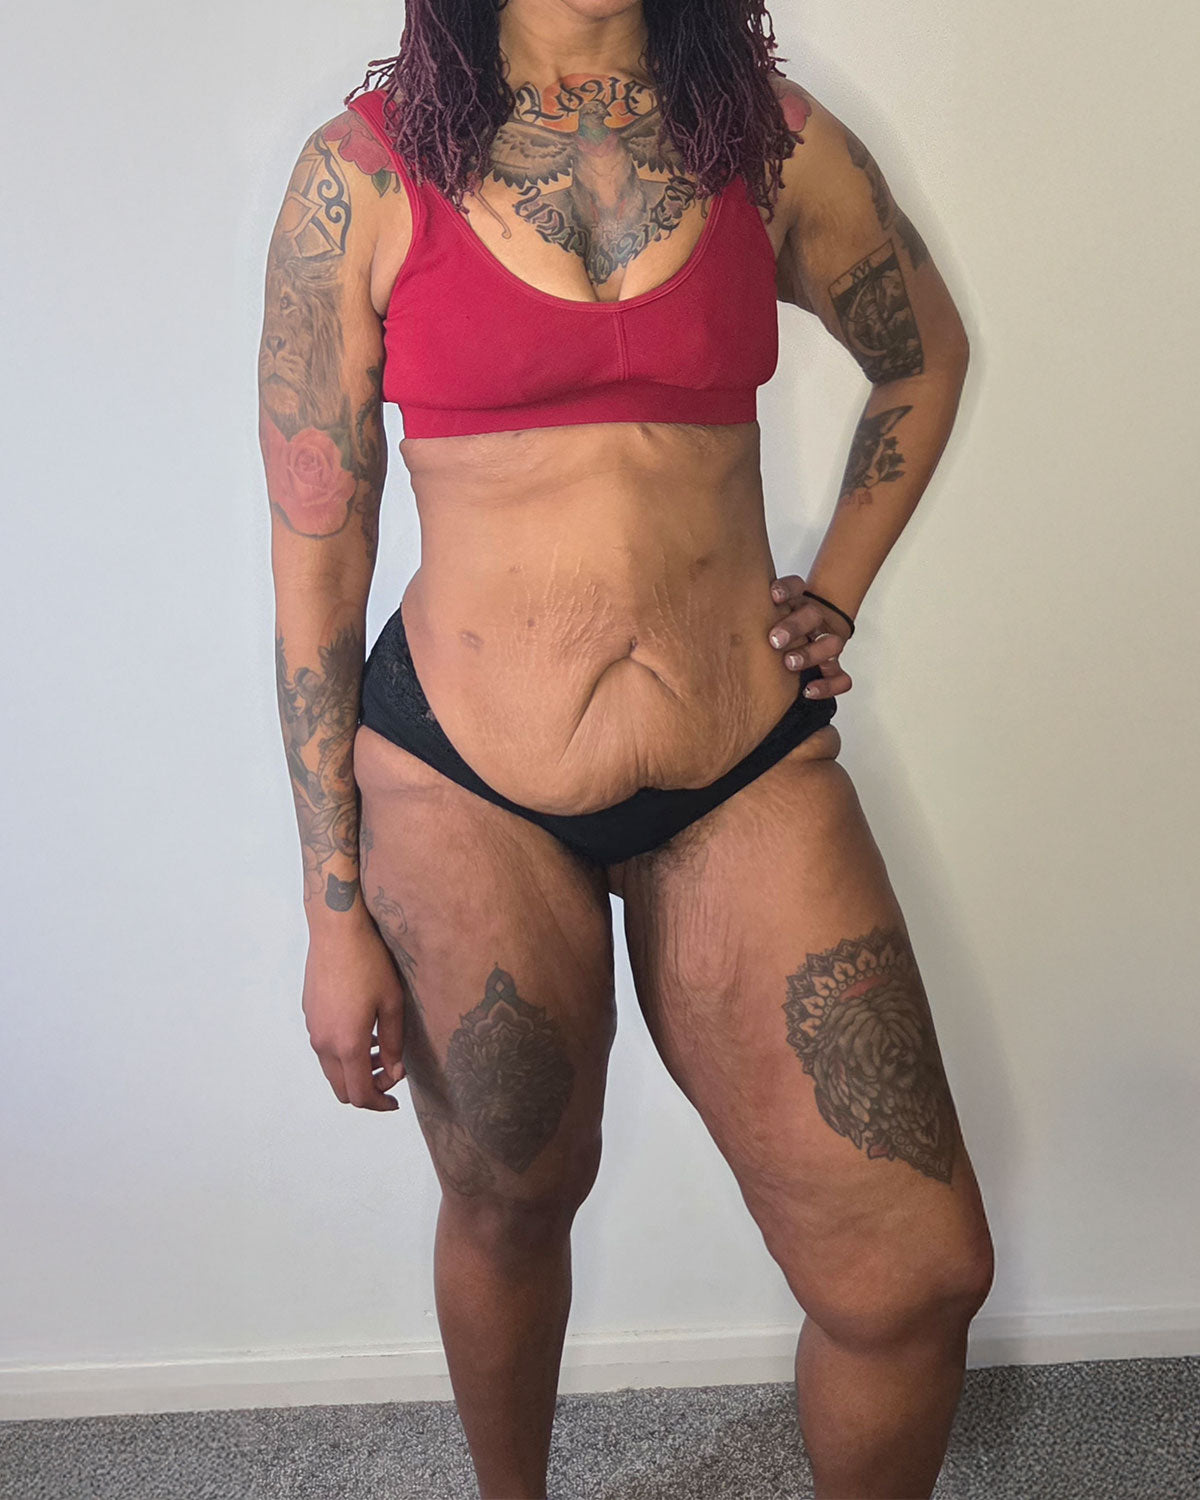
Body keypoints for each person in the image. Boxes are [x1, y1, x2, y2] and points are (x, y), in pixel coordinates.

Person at [257, 1, 994, 1495]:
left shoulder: (766, 143)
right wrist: (333, 911)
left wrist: (836, 588)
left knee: (916, 1277)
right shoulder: (367, 175)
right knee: (513, 1199)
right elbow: (319, 558)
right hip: (463, 780)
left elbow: (923, 354)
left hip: (743, 766)